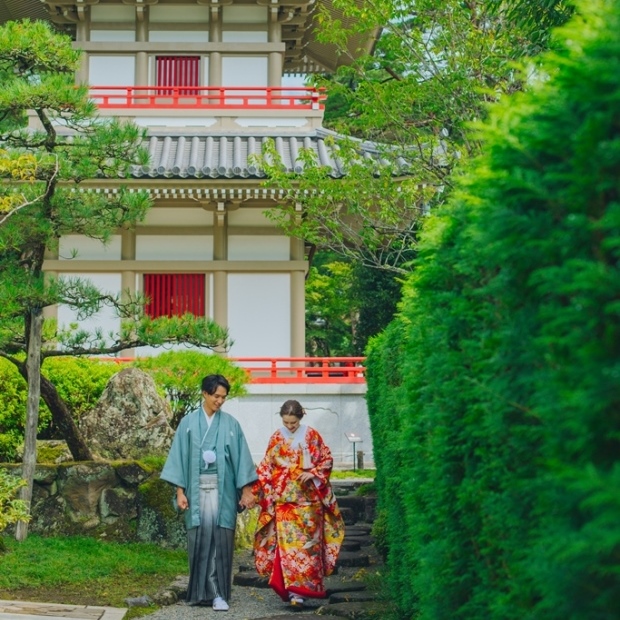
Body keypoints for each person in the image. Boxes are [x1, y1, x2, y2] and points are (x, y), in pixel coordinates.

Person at [160, 374, 257, 612]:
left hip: (222, 491)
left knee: (221, 541)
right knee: (199, 540)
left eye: (223, 397)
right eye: (216, 396)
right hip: (196, 490)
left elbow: (241, 459)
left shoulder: (231, 425)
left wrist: (246, 490)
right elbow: (179, 458)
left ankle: (219, 594)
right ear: (204, 393)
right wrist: (180, 492)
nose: (220, 401)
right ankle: (199, 593)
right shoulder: (188, 424)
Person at [253, 399, 345, 608]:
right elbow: (266, 467)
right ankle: (295, 593)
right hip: (285, 504)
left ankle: (307, 589)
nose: (290, 427)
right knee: (288, 550)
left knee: (309, 550)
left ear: (301, 417)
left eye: (293, 423)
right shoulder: (277, 437)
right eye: (286, 423)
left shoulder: (312, 435)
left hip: (310, 504)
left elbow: (326, 459)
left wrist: (312, 473)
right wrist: (259, 490)